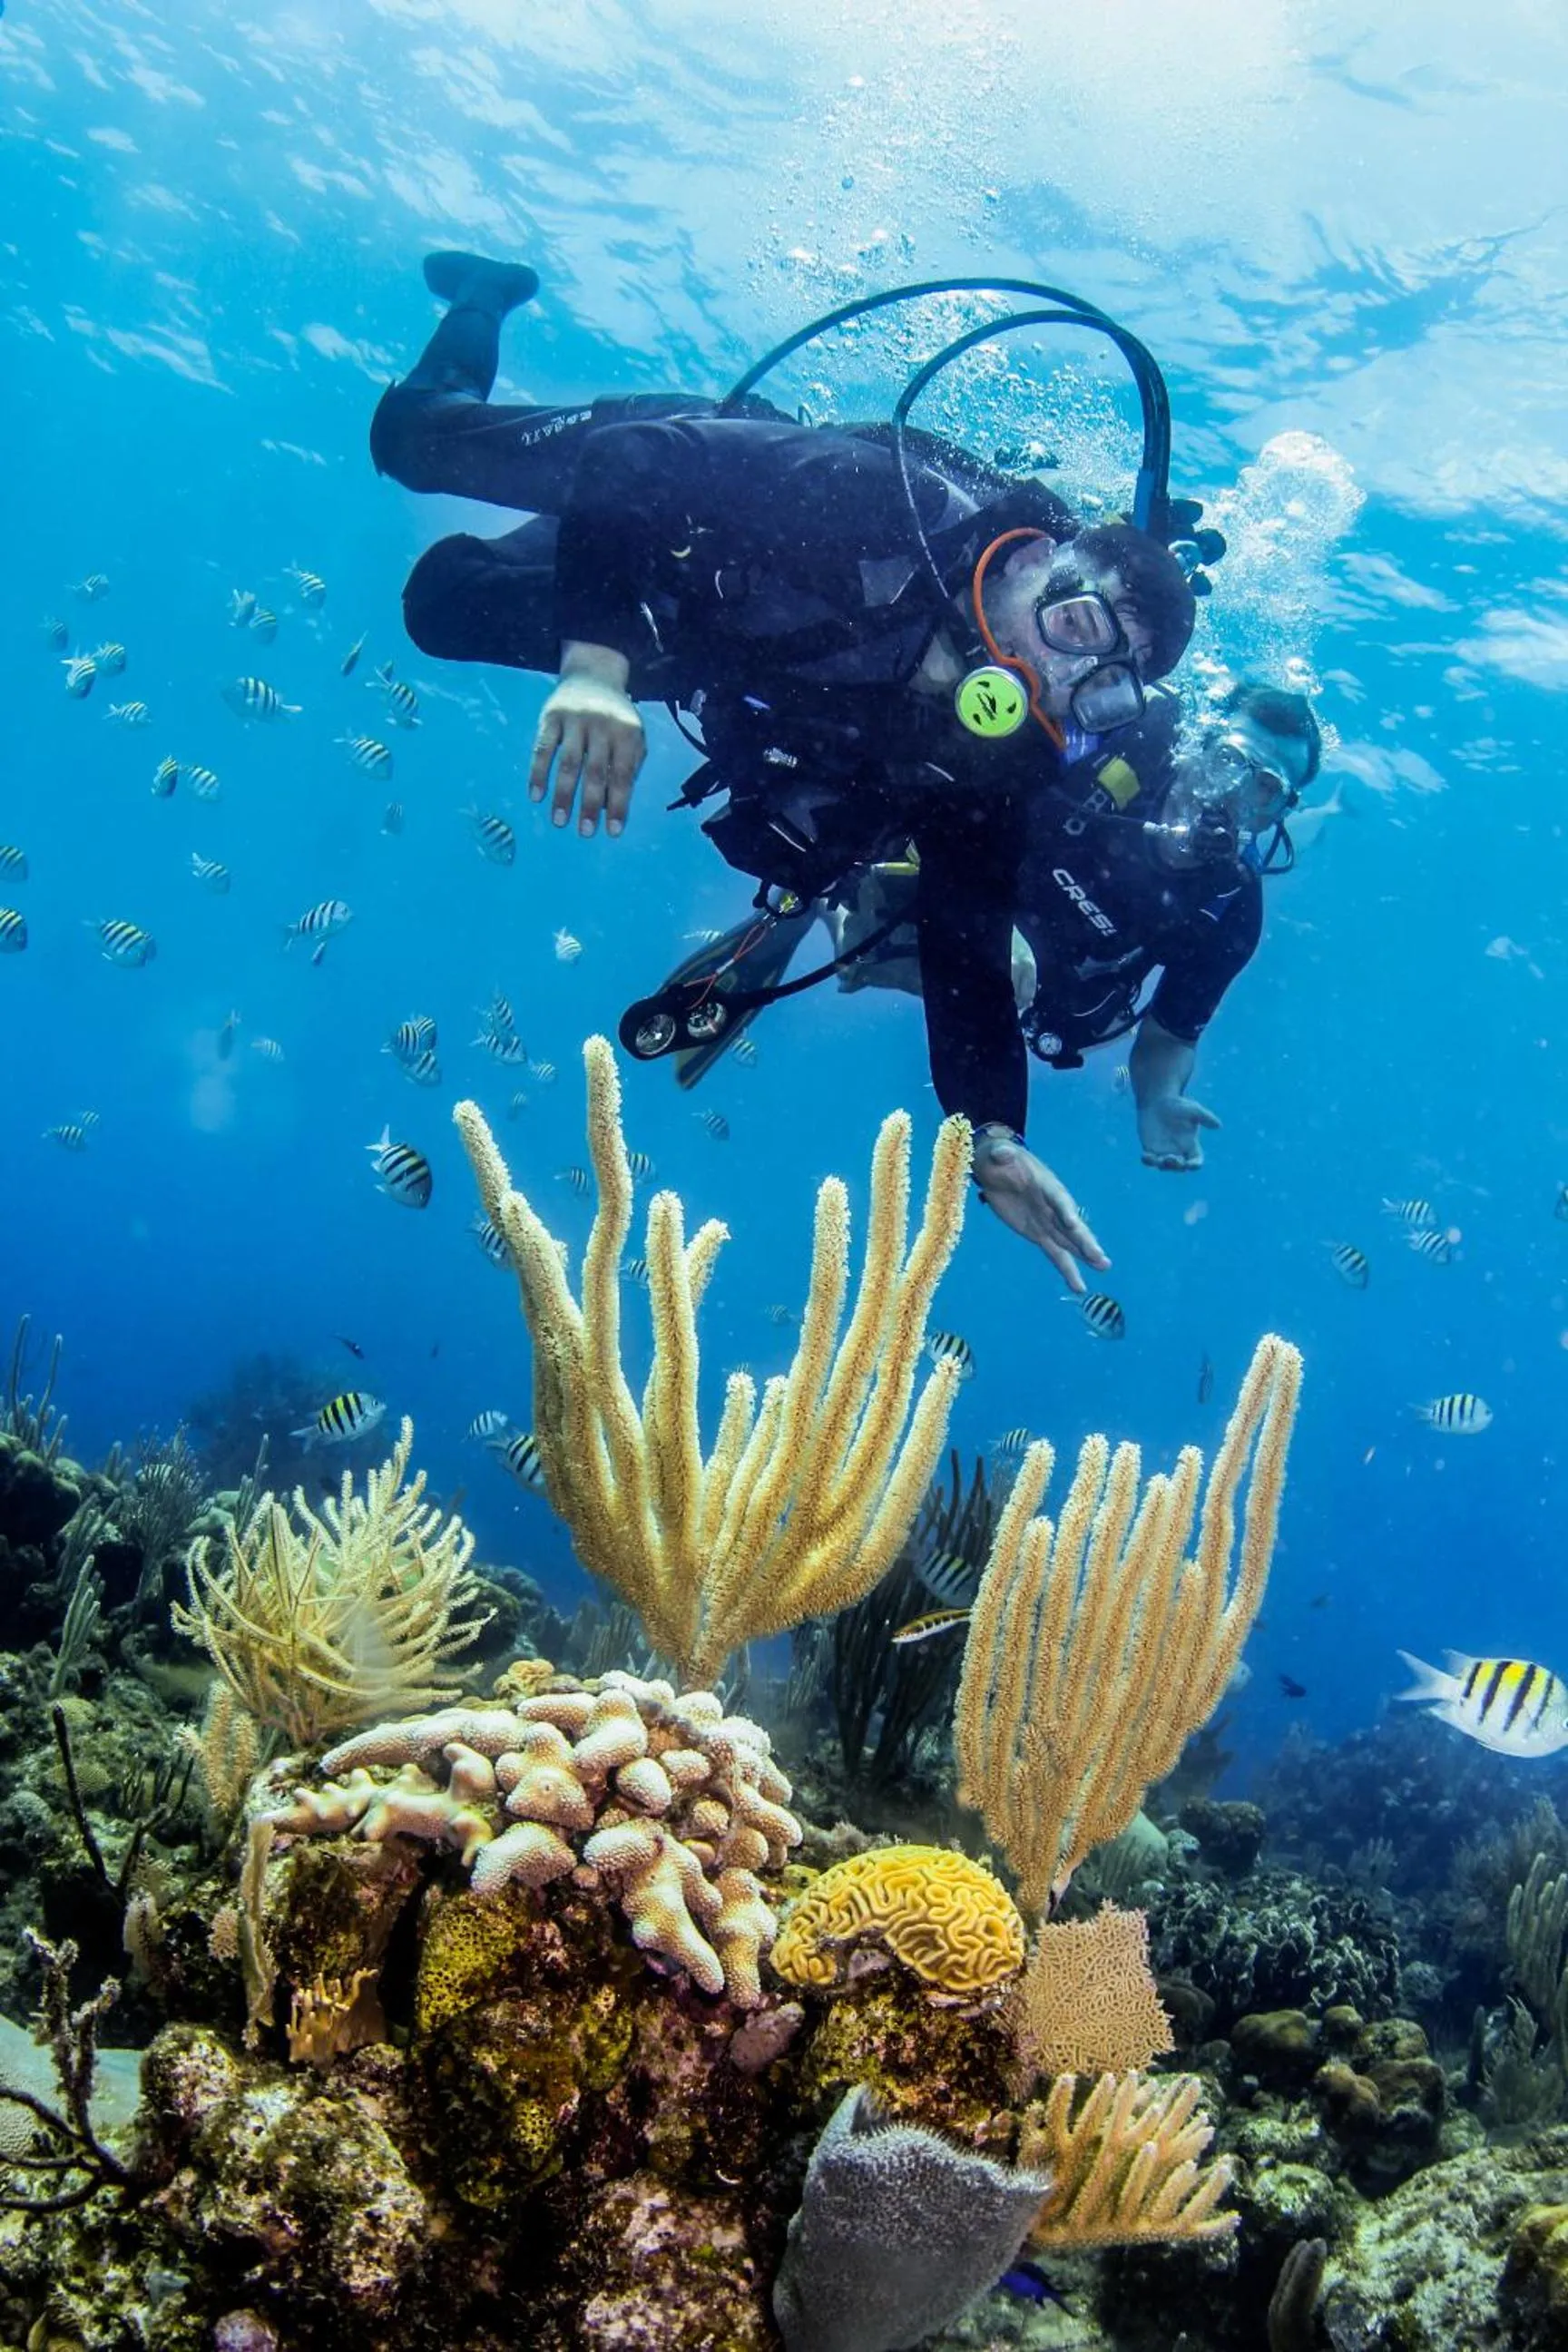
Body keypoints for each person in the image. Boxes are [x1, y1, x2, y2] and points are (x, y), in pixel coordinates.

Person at [370, 251, 1201, 1287]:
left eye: (1100, 686)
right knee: (408, 444)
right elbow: (629, 463)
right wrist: (592, 666)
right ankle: (483, 299)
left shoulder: (993, 764)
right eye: (1073, 623)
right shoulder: (887, 505)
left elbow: (969, 947)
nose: (1051, 669)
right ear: (1041, 560)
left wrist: (992, 1132)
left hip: (697, 650)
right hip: (682, 500)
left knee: (438, 604)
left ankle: (566, 579)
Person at [829, 676, 1323, 1181]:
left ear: (1278, 814)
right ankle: (824, 907)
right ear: (1197, 742)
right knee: (864, 919)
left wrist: (1158, 1099)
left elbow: (1171, 1034)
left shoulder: (1232, 905)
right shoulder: (1112, 751)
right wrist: (987, 928)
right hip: (955, 902)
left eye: (1264, 787)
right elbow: (949, 808)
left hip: (1047, 1002)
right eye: (1229, 760)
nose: (1233, 793)